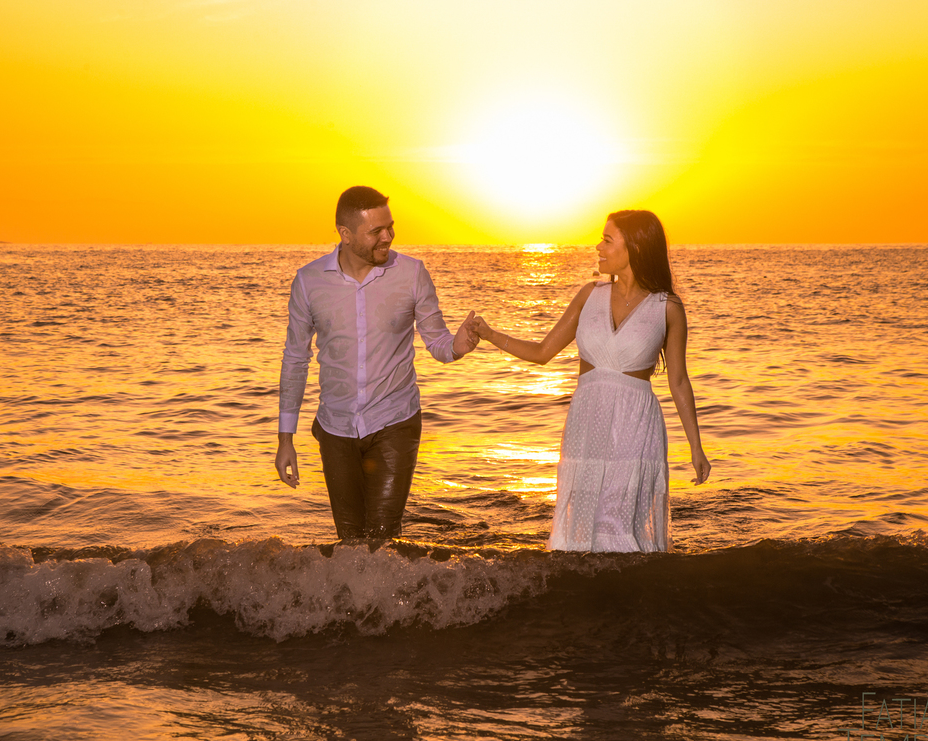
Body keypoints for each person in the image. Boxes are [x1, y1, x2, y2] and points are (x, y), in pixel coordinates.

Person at [472, 210, 710, 552]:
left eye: (607, 240)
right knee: (582, 528)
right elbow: (542, 352)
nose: (598, 246)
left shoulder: (667, 308)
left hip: (636, 425)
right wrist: (491, 334)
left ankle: (629, 596)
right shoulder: (589, 295)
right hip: (588, 421)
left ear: (635, 248)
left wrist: (696, 447)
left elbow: (679, 382)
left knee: (622, 523)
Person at [275, 186, 478, 539]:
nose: (388, 237)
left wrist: (457, 347)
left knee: (382, 537)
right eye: (376, 231)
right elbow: (296, 358)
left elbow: (438, 342)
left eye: (390, 226)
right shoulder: (308, 282)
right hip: (335, 429)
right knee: (350, 541)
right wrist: (285, 438)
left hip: (395, 422)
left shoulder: (412, 274)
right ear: (346, 234)